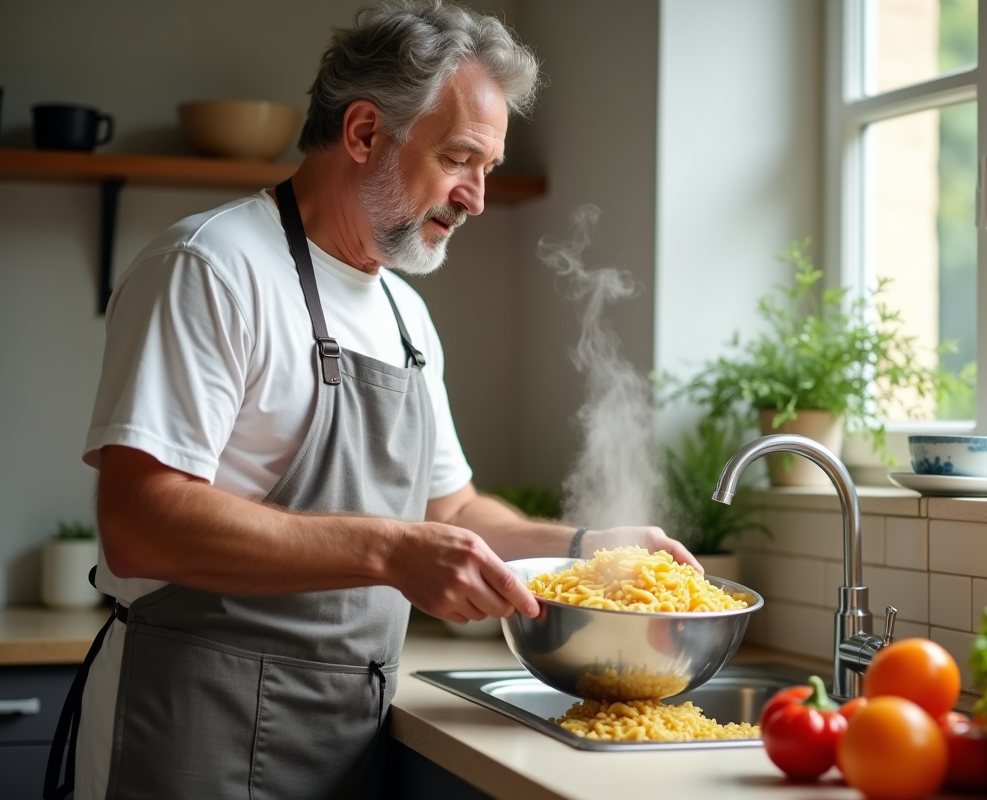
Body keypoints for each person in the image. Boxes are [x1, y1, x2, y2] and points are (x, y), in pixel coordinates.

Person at [46, 2, 699, 798]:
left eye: (489, 169)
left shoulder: (404, 314)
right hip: (192, 727)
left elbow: (452, 514)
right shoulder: (212, 267)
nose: (477, 198)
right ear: (362, 133)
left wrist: (592, 551)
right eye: (462, 159)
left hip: (346, 734)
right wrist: (390, 551)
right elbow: (138, 522)